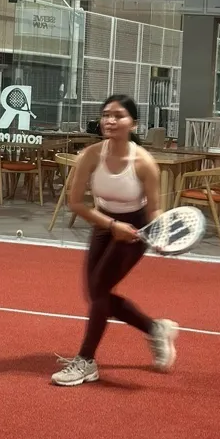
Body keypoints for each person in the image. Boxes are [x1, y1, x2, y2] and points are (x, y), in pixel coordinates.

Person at [51, 94, 178, 387]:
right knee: (97, 293)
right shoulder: (90, 156)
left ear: (133, 123)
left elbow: (154, 209)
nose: (110, 120)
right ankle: (155, 328)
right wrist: (111, 225)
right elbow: (76, 203)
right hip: (105, 223)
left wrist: (158, 234)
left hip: (136, 229)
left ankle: (86, 360)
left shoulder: (144, 163)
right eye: (106, 115)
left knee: (99, 292)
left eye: (118, 116)